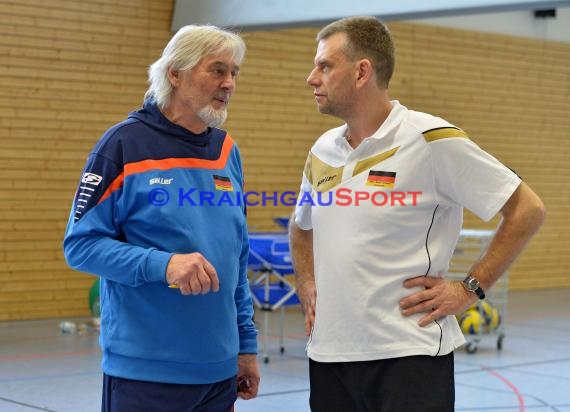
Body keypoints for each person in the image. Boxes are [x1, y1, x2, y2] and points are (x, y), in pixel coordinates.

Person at [289, 16, 545, 412]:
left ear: (361, 72)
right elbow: (300, 226)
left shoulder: (430, 139)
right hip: (329, 358)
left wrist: (469, 289)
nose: (311, 78)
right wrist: (306, 283)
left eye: (324, 66)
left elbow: (526, 209)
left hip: (408, 358)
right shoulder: (323, 149)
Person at [63, 24, 260, 411]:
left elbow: (236, 255)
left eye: (234, 72)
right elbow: (81, 245)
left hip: (219, 373)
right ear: (175, 73)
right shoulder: (122, 145)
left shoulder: (226, 150)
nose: (229, 83)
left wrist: (245, 345)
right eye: (217, 70)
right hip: (146, 374)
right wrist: (164, 265)